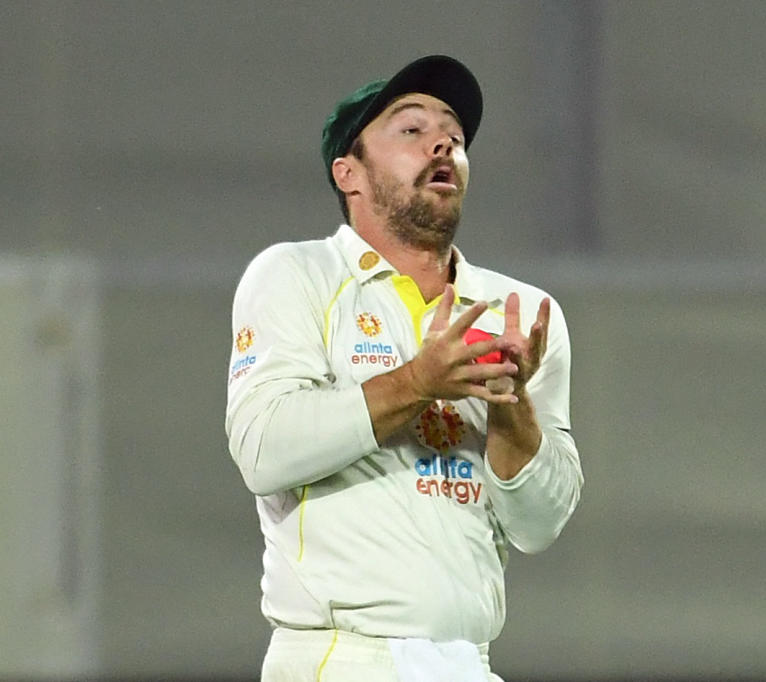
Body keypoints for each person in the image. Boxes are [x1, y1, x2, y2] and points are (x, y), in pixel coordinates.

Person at [225, 54, 583, 682]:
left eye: (454, 134)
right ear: (349, 173)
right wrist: (420, 382)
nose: (443, 140)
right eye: (411, 129)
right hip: (339, 656)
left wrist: (511, 407)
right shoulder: (297, 274)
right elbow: (263, 450)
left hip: (469, 661)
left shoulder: (519, 313)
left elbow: (539, 525)